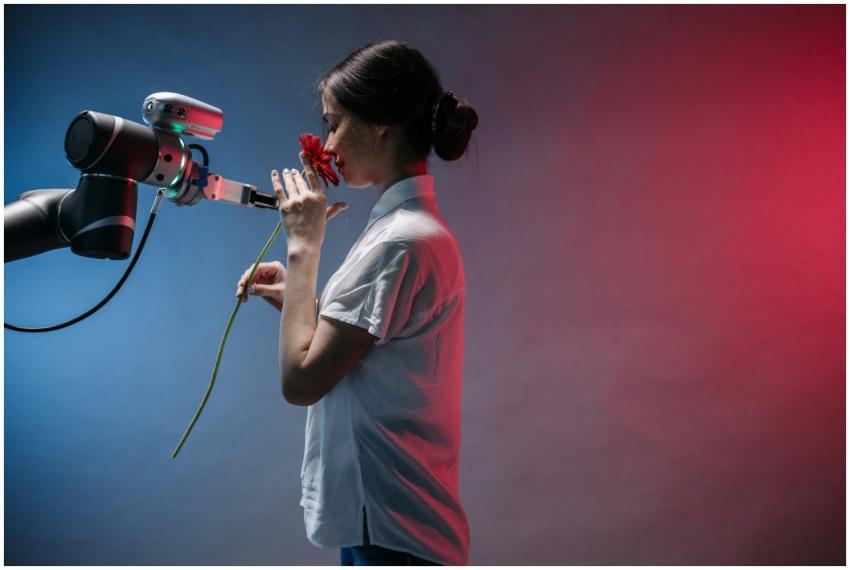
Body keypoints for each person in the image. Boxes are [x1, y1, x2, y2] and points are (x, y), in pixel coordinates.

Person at [235, 40, 478, 566]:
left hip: (392, 529)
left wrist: (303, 246)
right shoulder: (408, 231)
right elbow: (373, 347)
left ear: (381, 125)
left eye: (335, 123)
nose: (327, 143)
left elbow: (300, 382)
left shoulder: (400, 240)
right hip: (395, 519)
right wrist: (301, 301)